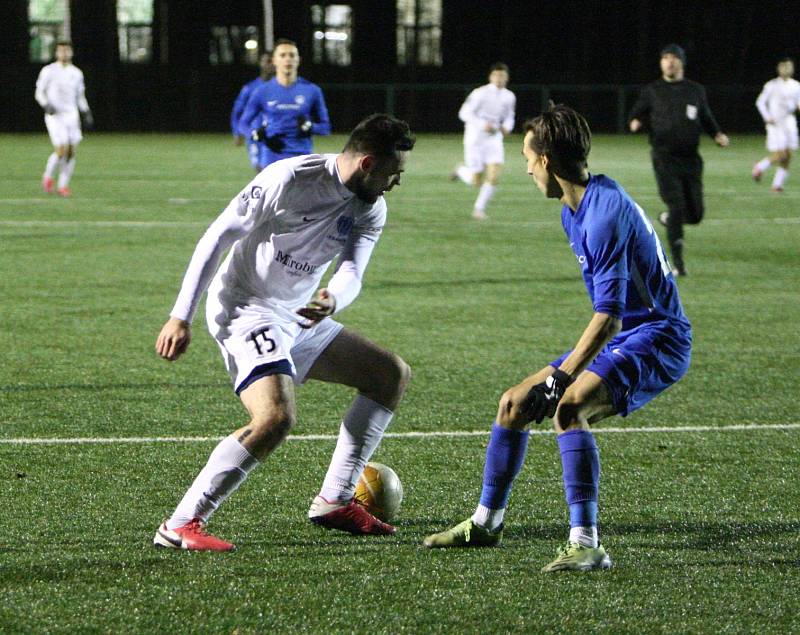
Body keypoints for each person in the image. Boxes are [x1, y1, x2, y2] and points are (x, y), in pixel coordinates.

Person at [423, 104, 692, 573]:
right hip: (627, 331)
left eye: (528, 158)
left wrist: (563, 376)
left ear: (546, 159)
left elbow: (608, 317)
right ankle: (486, 522)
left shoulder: (603, 213)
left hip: (657, 335)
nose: (525, 168)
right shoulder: (576, 208)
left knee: (569, 407)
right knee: (513, 404)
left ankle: (586, 543)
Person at [153, 113, 415, 552]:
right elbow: (217, 237)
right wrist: (181, 315)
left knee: (388, 374)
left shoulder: (372, 207)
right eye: (394, 173)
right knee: (274, 417)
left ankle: (335, 499)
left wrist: (333, 298)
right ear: (368, 164)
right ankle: (181, 523)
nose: (396, 184)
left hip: (296, 315)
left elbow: (352, 269)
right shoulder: (290, 178)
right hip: (244, 308)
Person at [628, 44, 729, 276]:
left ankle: (668, 219)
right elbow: (635, 113)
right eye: (665, 58)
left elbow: (705, 116)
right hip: (664, 159)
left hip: (691, 160)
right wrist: (635, 121)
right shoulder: (652, 90)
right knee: (676, 205)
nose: (669, 62)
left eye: (673, 58)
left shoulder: (695, 90)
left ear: (681, 62)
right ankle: (677, 265)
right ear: (661, 63)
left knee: (695, 214)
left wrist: (717, 134)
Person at [237, 39, 331, 171]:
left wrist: (310, 127)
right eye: (283, 55)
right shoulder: (262, 91)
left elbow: (326, 127)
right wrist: (254, 134)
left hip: (301, 158)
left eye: (292, 55)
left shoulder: (312, 90)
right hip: (271, 158)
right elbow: (243, 124)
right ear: (274, 60)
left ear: (299, 60)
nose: (288, 59)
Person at [451, 62, 516, 220]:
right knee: (475, 180)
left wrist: (508, 126)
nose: (499, 78)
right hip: (475, 139)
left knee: (494, 175)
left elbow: (509, 116)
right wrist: (482, 124)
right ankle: (461, 170)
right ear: (491, 77)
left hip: (494, 140)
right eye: (497, 75)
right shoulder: (480, 93)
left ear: (506, 78)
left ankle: (478, 209)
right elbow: (464, 113)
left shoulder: (509, 96)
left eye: (503, 76)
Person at [34, 41, 93, 197]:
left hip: (71, 116)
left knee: (71, 152)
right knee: (61, 150)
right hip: (55, 116)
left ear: (71, 52)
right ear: (56, 53)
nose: (64, 53)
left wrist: (86, 112)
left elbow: (80, 96)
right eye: (61, 51)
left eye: (67, 50)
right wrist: (46, 105)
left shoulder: (77, 73)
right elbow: (39, 92)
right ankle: (47, 176)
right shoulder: (49, 71)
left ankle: (63, 186)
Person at [751, 58, 800, 192]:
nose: (786, 69)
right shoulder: (772, 85)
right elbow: (760, 102)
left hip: (790, 123)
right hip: (776, 124)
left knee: (789, 154)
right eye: (783, 67)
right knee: (781, 154)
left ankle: (777, 185)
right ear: (779, 69)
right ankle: (759, 167)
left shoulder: (796, 85)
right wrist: (767, 117)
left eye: (789, 67)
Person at [230, 53, 273, 172]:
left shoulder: (283, 88)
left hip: (276, 134)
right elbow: (237, 111)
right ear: (261, 63)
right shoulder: (250, 88)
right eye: (267, 61)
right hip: (255, 134)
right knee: (260, 168)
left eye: (272, 61)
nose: (270, 64)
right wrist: (237, 132)